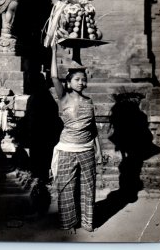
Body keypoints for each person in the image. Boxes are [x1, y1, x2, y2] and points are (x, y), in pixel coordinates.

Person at [50, 43, 102, 232]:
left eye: (83, 79)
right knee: (67, 188)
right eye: (77, 79)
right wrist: (54, 52)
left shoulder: (89, 102)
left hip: (86, 148)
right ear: (69, 82)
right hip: (67, 149)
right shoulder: (63, 98)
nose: (81, 82)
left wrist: (99, 150)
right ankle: (69, 223)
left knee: (88, 186)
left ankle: (88, 221)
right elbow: (54, 76)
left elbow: (94, 128)